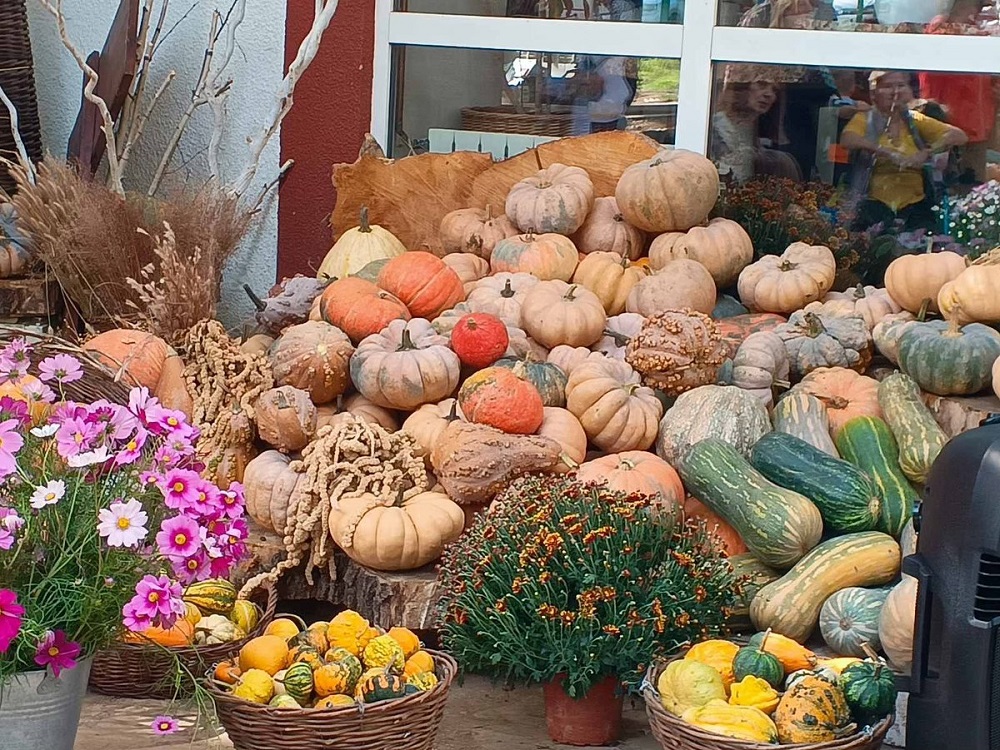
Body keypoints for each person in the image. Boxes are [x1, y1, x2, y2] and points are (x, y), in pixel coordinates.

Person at [841, 70, 968, 231]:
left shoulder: (915, 120)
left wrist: (926, 153)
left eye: (900, 85)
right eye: (887, 86)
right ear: (874, 93)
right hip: (874, 204)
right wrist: (885, 152)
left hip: (915, 205)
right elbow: (848, 139)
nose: (895, 91)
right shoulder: (865, 119)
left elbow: (958, 135)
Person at [712, 81, 802, 183]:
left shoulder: (757, 133)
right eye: (761, 85)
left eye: (775, 90)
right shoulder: (714, 128)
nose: (769, 94)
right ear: (743, 87)